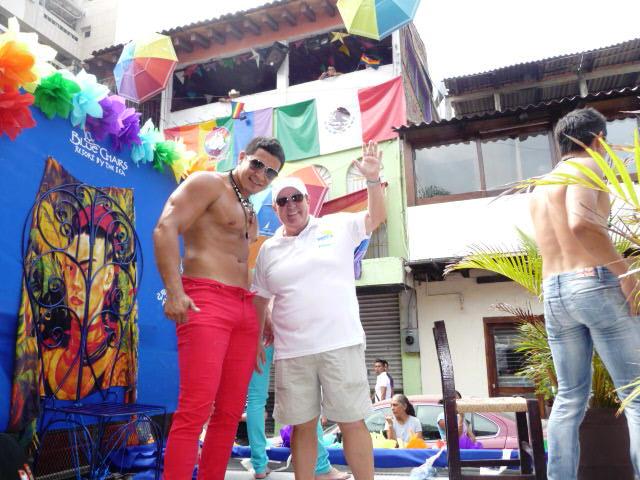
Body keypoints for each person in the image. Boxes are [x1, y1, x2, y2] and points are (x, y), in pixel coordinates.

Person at [252, 141, 386, 480]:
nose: (290, 205)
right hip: (292, 351)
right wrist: (259, 332)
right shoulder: (269, 250)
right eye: (282, 201)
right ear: (275, 209)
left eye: (296, 198)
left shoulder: (336, 225)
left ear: (307, 201)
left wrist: (372, 179)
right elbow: (259, 297)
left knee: (352, 421)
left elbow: (376, 217)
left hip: (340, 343)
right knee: (302, 427)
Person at [153, 137, 285, 480]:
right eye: (257, 164)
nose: (261, 174)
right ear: (242, 157)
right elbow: (166, 226)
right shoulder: (208, 183)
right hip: (206, 298)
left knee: (228, 414)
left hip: (243, 309)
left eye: (270, 172)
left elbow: (243, 264)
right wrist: (174, 291)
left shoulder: (251, 207)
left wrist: (262, 313)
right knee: (195, 410)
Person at [529, 107, 640, 480]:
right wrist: (625, 274)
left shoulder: (540, 186)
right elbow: (581, 225)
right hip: (592, 281)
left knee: (570, 398)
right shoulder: (589, 166)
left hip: (554, 290)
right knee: (636, 397)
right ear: (598, 141)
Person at [245, 311, 351, 480]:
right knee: (303, 394)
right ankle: (320, 466)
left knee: (256, 399)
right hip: (285, 329)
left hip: (254, 329)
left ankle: (258, 464)